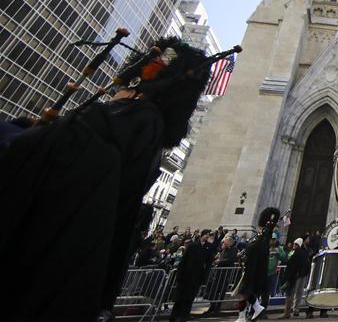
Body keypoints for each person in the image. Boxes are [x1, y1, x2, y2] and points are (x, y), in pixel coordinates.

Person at [0, 36, 212, 322]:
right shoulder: (142, 128)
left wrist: (23, 133)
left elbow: (45, 160)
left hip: (41, 267)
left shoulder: (130, 122)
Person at [236, 207, 281, 322]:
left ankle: (256, 308)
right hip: (254, 269)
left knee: (245, 292)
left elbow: (254, 251)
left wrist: (245, 254)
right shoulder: (262, 236)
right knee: (244, 294)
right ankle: (244, 316)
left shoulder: (262, 237)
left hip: (253, 270)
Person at [170, 229, 214, 322]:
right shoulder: (192, 245)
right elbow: (184, 261)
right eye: (206, 234)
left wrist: (204, 278)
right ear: (202, 235)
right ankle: (174, 315)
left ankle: (183, 316)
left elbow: (209, 264)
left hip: (197, 276)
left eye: (208, 235)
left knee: (189, 298)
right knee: (179, 297)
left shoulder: (209, 247)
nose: (207, 236)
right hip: (186, 275)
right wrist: (179, 275)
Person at [281, 236, 311, 318]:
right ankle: (293, 310)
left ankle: (288, 312)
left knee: (292, 293)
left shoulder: (298, 253)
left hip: (296, 276)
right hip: (298, 275)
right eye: (294, 244)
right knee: (295, 293)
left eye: (296, 244)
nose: (294, 245)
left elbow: (290, 263)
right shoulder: (298, 252)